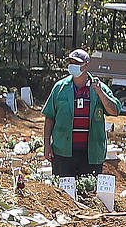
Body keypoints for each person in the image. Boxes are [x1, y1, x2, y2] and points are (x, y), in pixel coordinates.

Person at [41, 48, 119, 186]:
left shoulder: (99, 88)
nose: (73, 65)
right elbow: (49, 117)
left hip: (91, 153)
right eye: (71, 62)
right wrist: (47, 145)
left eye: (77, 62)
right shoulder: (60, 88)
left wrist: (100, 92)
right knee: (63, 193)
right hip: (63, 152)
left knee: (88, 192)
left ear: (86, 64)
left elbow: (114, 110)